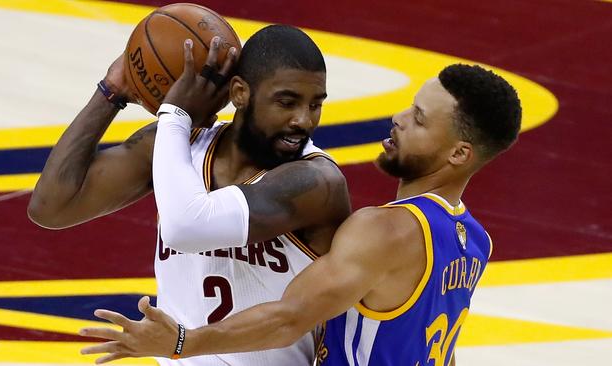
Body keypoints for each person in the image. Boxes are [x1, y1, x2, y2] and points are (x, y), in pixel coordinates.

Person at [79, 64, 522, 366]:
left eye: (420, 120)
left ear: (460, 153)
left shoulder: (384, 229)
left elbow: (290, 317)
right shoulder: (474, 240)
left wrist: (182, 343)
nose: (399, 117)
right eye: (410, 106)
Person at [29, 25, 351, 365]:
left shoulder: (316, 182)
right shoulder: (179, 144)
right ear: (240, 93)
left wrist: (175, 114)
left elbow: (187, 226)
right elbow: (51, 207)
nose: (303, 120)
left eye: (316, 104)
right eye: (287, 102)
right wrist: (112, 91)